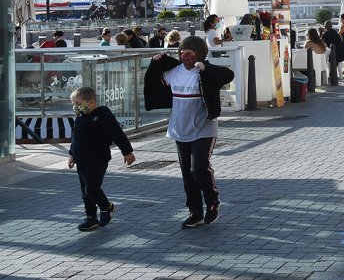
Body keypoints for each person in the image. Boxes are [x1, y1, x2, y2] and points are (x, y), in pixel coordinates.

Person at [144, 36, 235, 228]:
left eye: (190, 54)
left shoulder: (204, 72)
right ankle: (195, 211)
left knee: (199, 167)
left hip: (204, 129)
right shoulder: (173, 72)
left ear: (200, 54)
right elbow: (152, 80)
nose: (185, 57)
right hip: (180, 129)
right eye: (182, 53)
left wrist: (206, 68)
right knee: (187, 173)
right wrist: (157, 61)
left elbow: (228, 75)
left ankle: (212, 201)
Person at [67, 86, 135, 231]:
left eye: (78, 104)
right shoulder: (80, 118)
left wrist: (127, 152)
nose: (75, 107)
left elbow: (117, 133)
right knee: (85, 191)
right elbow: (76, 138)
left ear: (91, 102)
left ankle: (106, 207)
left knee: (91, 188)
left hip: (98, 158)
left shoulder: (103, 115)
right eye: (73, 104)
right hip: (81, 159)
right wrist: (72, 154)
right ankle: (91, 217)